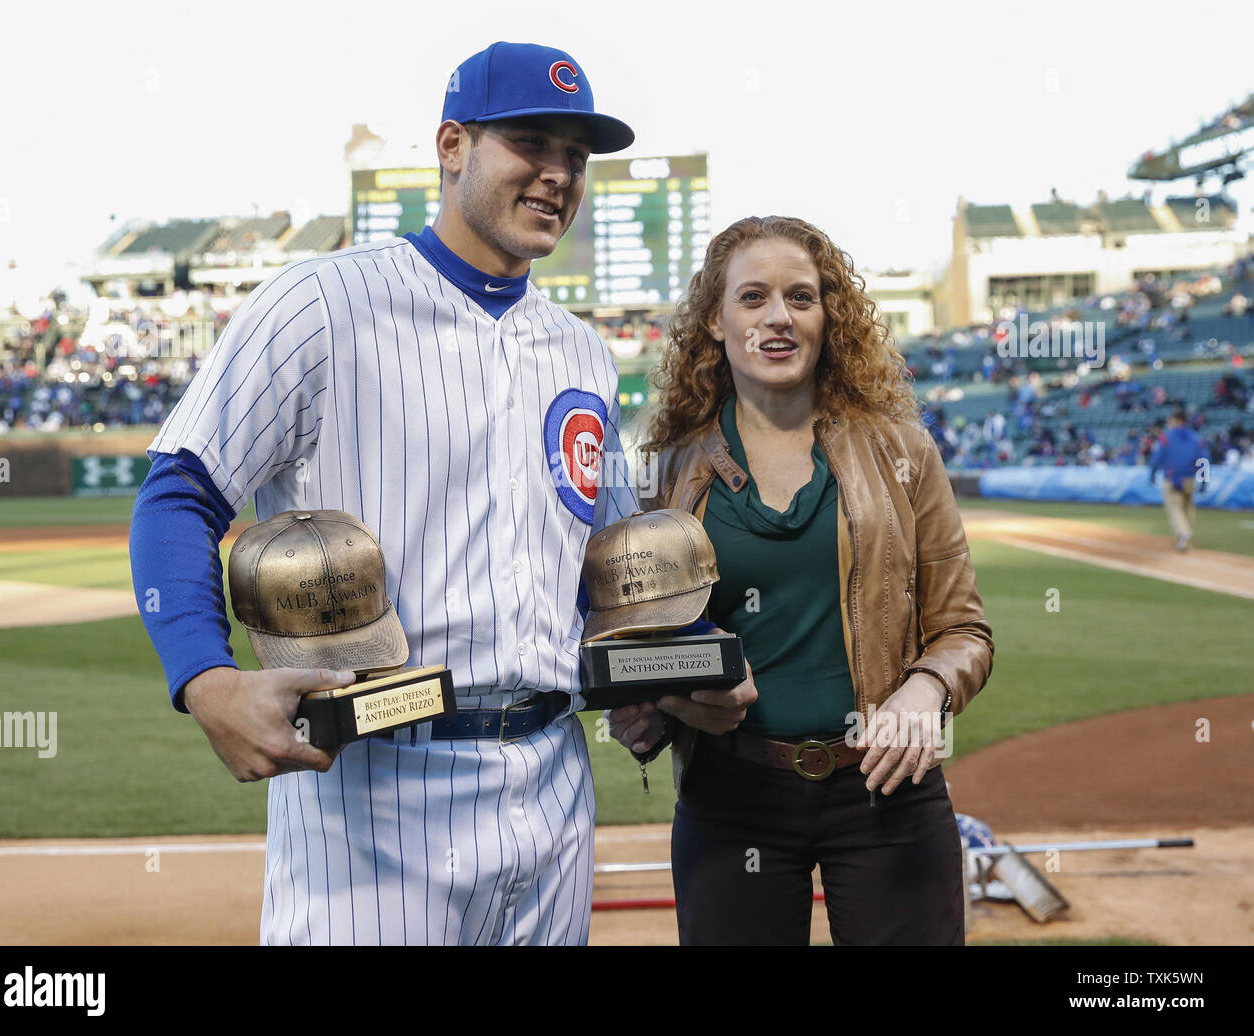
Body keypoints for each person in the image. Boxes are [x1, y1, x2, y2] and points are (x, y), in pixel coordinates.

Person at [129, 41, 638, 945]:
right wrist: (205, 681)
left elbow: (602, 566)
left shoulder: (583, 351)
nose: (559, 174)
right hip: (377, 794)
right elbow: (179, 492)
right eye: (532, 141)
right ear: (452, 146)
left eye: (577, 155)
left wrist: (665, 676)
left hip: (555, 788)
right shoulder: (322, 303)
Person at [609, 215, 994, 945]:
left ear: (829, 318)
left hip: (888, 789)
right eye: (752, 298)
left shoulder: (904, 453)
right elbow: (644, 647)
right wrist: (653, 708)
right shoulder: (669, 471)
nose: (778, 316)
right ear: (716, 324)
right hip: (732, 797)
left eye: (801, 297)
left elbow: (963, 630)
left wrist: (926, 688)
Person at [1149, 407, 1208, 551]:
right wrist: (1204, 480)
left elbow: (1158, 457)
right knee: (1187, 509)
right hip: (1190, 479)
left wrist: (1153, 473)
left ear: (1177, 421)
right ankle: (1186, 538)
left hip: (1172, 478)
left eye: (1170, 420)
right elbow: (1204, 460)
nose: (1168, 423)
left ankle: (1184, 534)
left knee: (1175, 509)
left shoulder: (1166, 437)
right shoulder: (1197, 437)